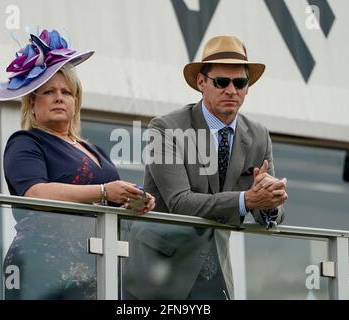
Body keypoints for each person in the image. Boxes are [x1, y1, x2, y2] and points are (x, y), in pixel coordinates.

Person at [0, 29, 155, 299]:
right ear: (32, 102)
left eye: (67, 92)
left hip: (99, 263)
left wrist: (133, 200)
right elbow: (35, 193)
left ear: (76, 102)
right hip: (44, 265)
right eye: (49, 92)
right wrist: (104, 191)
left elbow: (109, 198)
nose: (59, 97)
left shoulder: (95, 149)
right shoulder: (26, 142)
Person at [123, 36, 288, 299]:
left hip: (215, 277)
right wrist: (248, 199)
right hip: (158, 275)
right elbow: (180, 203)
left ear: (248, 87)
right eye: (222, 82)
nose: (231, 90)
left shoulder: (259, 135)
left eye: (240, 82)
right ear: (201, 82)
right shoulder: (165, 128)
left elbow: (270, 213)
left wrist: (270, 202)